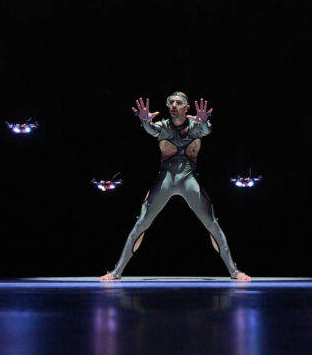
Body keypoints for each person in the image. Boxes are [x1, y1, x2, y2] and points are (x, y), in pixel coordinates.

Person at [100, 92, 251, 281]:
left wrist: (204, 121)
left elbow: (206, 130)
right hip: (166, 179)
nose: (173, 105)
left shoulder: (196, 126)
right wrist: (145, 121)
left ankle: (234, 271)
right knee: (142, 222)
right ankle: (116, 272)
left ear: (187, 108)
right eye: (170, 102)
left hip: (189, 178)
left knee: (212, 223)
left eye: (178, 103)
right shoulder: (163, 126)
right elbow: (151, 130)